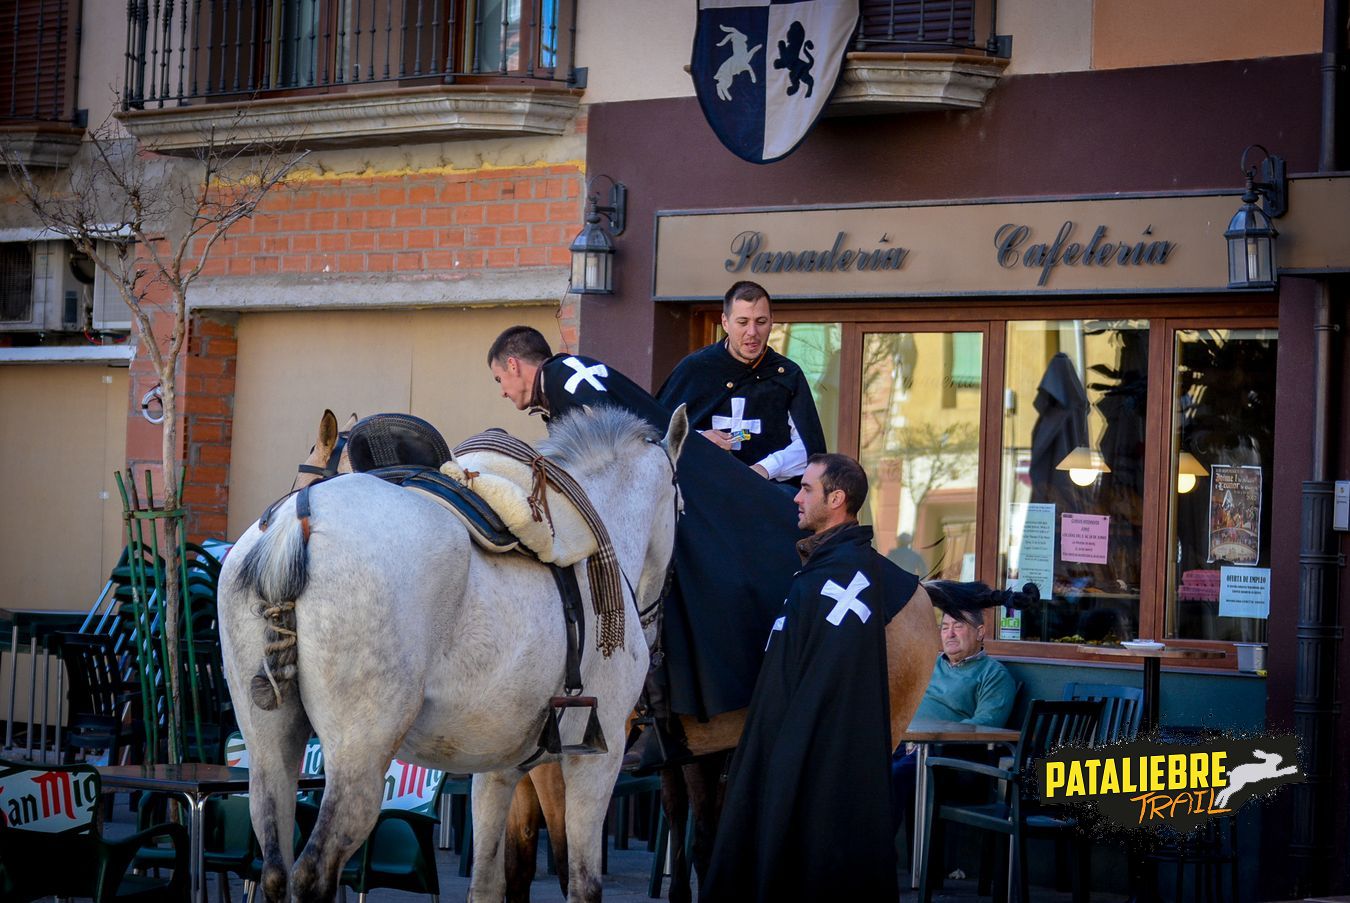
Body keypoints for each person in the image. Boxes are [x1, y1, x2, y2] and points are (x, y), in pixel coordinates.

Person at [486, 326, 806, 767]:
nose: (503, 392)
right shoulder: (572, 373)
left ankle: (660, 723)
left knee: (653, 593)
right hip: (668, 479)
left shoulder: (563, 391)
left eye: (500, 380)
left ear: (514, 365)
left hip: (665, 493)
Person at [703, 453, 917, 902]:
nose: (796, 498)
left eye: (806, 488)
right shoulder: (821, 568)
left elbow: (830, 683)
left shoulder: (846, 576)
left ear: (836, 499)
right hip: (782, 736)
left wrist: (787, 752)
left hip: (808, 751)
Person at [656, 281, 826, 488]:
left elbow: (808, 448)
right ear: (725, 322)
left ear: (772, 322)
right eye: (743, 322)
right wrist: (698, 440)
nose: (752, 332)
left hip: (765, 497)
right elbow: (657, 430)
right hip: (700, 495)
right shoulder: (696, 368)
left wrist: (764, 469)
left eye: (761, 321)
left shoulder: (787, 375)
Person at [890, 600, 1018, 837]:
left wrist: (928, 741)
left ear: (980, 632)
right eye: (944, 626)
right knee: (857, 768)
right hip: (904, 746)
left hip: (952, 759)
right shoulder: (927, 664)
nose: (949, 634)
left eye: (958, 626)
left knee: (895, 775)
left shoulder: (994, 675)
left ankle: (878, 857)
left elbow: (985, 725)